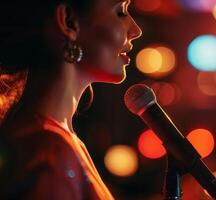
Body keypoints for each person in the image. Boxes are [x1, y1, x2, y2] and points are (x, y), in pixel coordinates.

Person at [0, 0, 142, 199]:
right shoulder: (48, 151)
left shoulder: (57, 141)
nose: (136, 30)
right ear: (68, 21)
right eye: (120, 11)